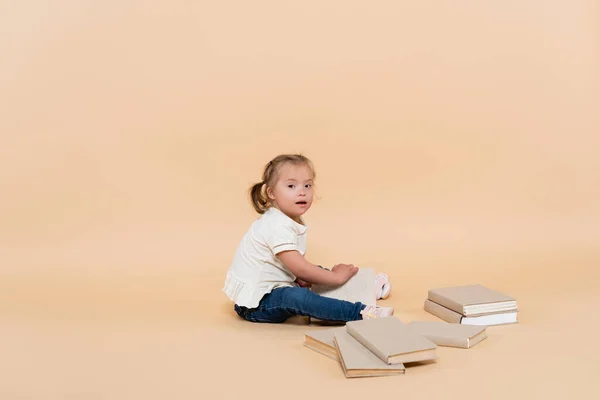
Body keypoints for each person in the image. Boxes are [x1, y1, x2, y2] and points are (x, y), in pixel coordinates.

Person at [222, 154, 393, 323]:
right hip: (257, 304)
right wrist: (335, 277)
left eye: (307, 185)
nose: (302, 192)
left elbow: (285, 264)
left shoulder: (288, 219)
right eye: (291, 186)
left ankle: (365, 289)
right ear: (271, 193)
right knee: (299, 295)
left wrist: (301, 277)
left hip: (275, 285)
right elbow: (300, 268)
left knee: (314, 273)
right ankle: (360, 312)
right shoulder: (276, 225)